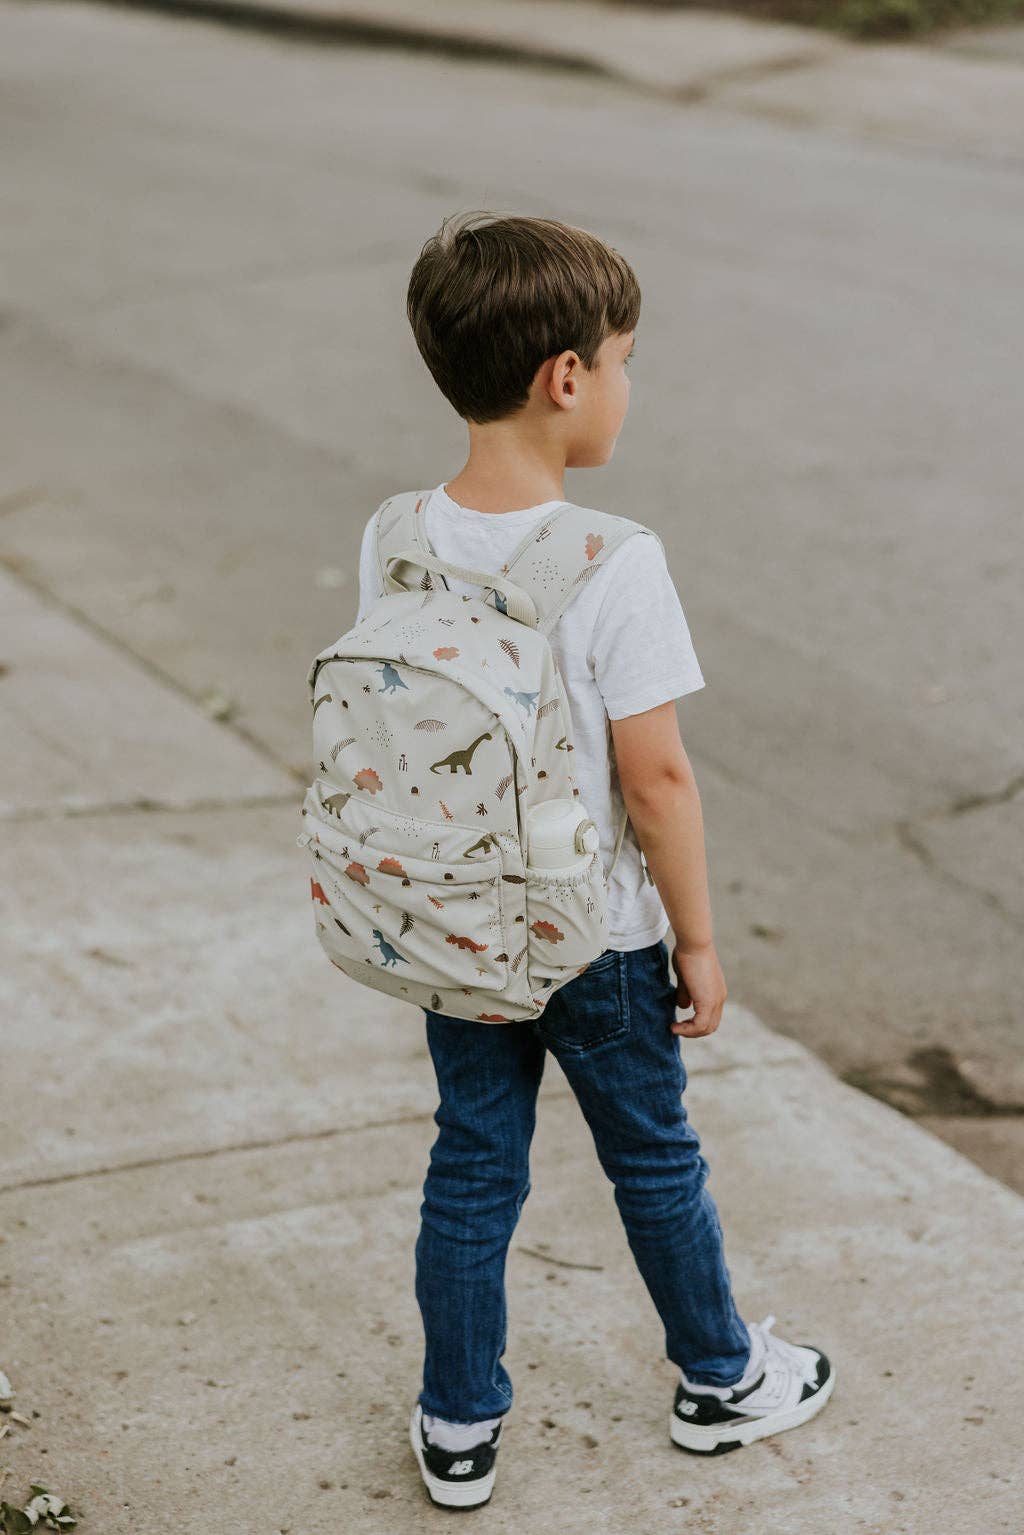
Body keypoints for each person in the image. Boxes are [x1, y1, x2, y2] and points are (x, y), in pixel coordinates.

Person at [355, 211, 835, 1510]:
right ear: (567, 378)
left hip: (456, 930)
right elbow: (658, 780)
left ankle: (458, 1421)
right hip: (598, 937)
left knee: (472, 1163)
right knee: (654, 1161)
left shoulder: (395, 532)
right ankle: (722, 1378)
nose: (628, 385)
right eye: (624, 358)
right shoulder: (615, 561)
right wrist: (697, 938)